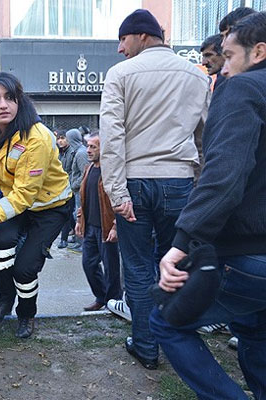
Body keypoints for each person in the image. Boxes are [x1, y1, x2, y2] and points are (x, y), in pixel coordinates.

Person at [150, 12, 266, 399]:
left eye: (229, 56)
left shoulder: (243, 89)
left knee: (165, 321)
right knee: (254, 330)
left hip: (247, 253)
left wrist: (181, 242)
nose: (223, 68)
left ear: (259, 51)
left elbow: (224, 175)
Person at [99, 9, 210, 370]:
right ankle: (176, 342)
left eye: (123, 39)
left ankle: (146, 346)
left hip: (134, 179)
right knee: (175, 263)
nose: (119, 48)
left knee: (137, 267)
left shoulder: (120, 74)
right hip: (180, 180)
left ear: (142, 36)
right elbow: (205, 138)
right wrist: (200, 182)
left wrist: (116, 192)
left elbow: (112, 138)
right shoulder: (196, 76)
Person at [0, 72, 73, 338]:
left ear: (19, 101)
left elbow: (25, 195)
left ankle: (26, 315)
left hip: (50, 207)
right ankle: (5, 299)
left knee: (25, 268)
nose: (3, 105)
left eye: (9, 98)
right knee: (1, 242)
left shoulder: (36, 138)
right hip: (19, 204)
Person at [74, 131, 121, 312]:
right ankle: (101, 297)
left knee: (112, 268)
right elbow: (83, 198)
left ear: (104, 149)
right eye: (88, 146)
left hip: (107, 227)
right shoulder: (88, 169)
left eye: (93, 147)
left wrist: (116, 226)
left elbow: (119, 200)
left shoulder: (111, 172)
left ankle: (114, 302)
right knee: (88, 264)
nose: (88, 150)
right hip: (91, 227)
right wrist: (79, 220)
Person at [65, 128, 88, 252]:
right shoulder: (78, 151)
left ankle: (82, 243)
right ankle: (79, 240)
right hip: (77, 189)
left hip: (80, 190)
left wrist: (75, 184)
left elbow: (85, 172)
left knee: (80, 215)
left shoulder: (81, 153)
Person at [56, 131, 76, 249]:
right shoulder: (60, 153)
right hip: (62, 186)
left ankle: (64, 239)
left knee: (68, 212)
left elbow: (74, 171)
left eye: (63, 138)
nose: (60, 141)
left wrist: (72, 185)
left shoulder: (72, 153)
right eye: (59, 138)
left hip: (71, 186)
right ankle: (72, 231)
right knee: (68, 213)